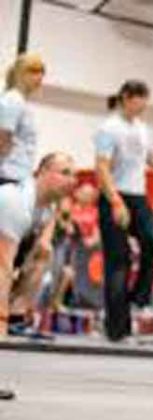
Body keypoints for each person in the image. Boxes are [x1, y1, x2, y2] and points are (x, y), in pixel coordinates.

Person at [94, 80, 153, 342]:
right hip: (114, 195)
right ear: (127, 98)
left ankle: (137, 297)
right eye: (140, 100)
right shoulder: (109, 128)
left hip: (138, 196)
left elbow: (150, 160)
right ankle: (117, 330)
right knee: (119, 262)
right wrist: (116, 202)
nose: (143, 106)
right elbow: (102, 168)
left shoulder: (142, 128)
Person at [0, 153, 76, 339]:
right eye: (64, 173)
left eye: (73, 175)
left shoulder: (46, 208)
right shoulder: (15, 201)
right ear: (41, 172)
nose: (71, 180)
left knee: (44, 254)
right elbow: (3, 266)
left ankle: (16, 319)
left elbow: (39, 249)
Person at [0, 53, 45, 186]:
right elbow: (2, 140)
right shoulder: (13, 100)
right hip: (8, 174)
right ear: (21, 74)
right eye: (34, 72)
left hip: (18, 174)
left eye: (42, 72)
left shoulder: (22, 102)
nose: (40, 77)